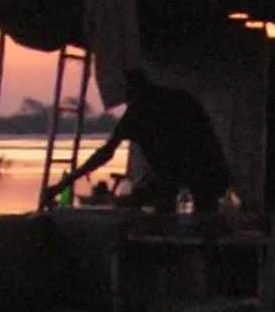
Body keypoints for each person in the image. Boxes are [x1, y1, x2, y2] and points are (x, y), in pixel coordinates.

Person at [43, 67, 232, 214]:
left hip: (193, 184)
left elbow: (104, 154)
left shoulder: (139, 111)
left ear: (130, 90)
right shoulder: (181, 99)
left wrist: (63, 183)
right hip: (207, 180)